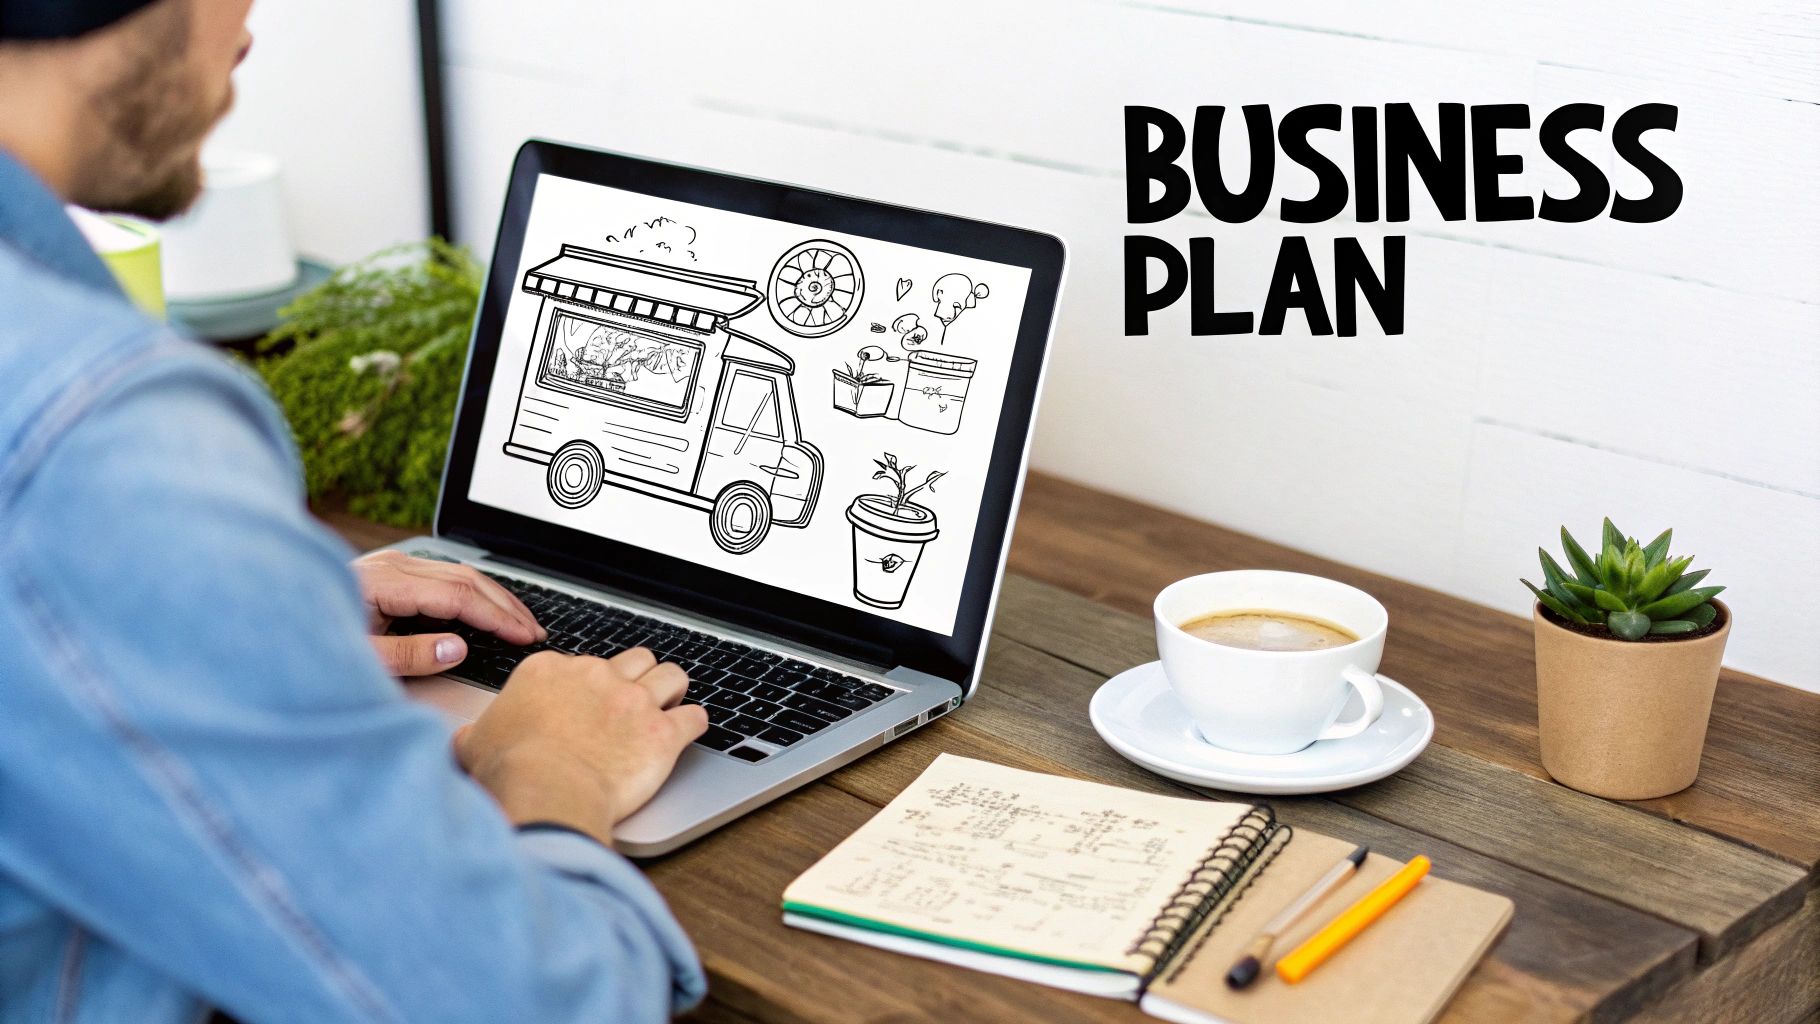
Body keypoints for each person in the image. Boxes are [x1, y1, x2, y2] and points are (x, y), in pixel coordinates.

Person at [0, 2, 712, 1021]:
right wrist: (556, 767)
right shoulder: (101, 435)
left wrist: (241, 614)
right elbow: (532, 1001)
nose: (249, 29)